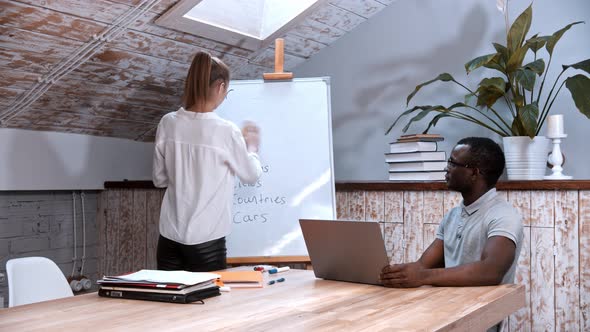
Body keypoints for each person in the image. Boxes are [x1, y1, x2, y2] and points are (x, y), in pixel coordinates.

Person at [152, 51, 262, 272]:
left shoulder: (168, 123)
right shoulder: (226, 131)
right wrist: (252, 147)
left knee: (168, 304)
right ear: (220, 86)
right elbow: (251, 175)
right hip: (207, 240)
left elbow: (159, 180)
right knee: (210, 306)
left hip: (169, 238)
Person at [381, 137, 523, 288]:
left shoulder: (503, 216)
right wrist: (395, 275)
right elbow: (423, 266)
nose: (446, 168)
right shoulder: (452, 216)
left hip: (486, 310)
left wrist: (422, 276)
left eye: (452, 163)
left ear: (474, 173)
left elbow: (490, 272)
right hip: (450, 305)